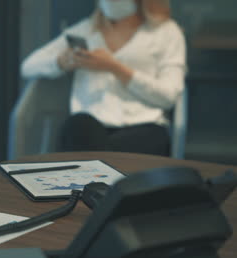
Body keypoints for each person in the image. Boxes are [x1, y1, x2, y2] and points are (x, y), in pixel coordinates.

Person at [21, 0, 186, 156]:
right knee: (77, 126)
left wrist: (114, 68)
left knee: (143, 141)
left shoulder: (167, 32)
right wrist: (61, 62)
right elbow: (28, 66)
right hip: (89, 127)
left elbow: (168, 95)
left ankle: (97, 176)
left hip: (144, 125)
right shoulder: (86, 30)